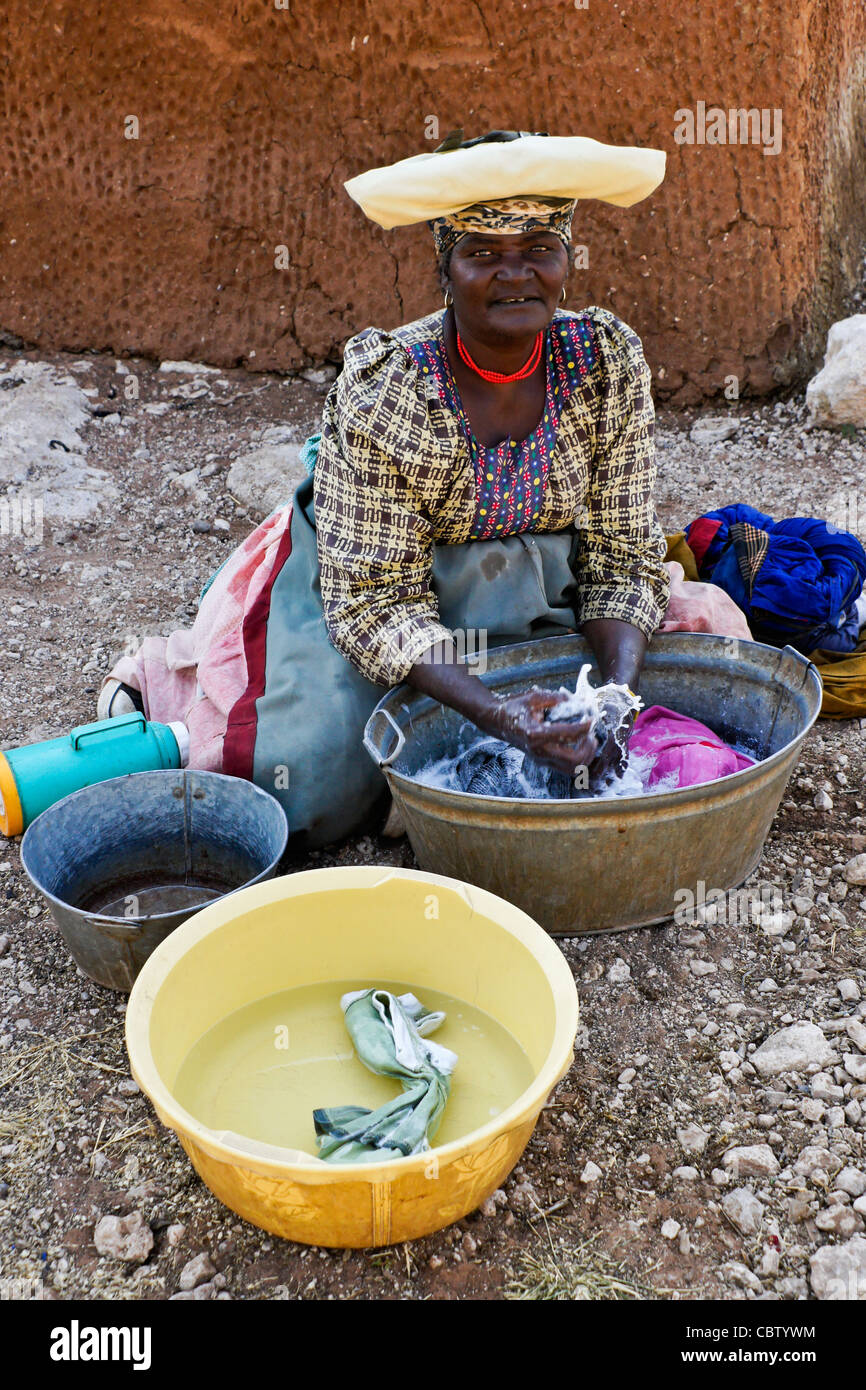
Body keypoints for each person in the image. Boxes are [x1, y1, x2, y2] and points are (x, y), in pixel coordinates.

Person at [99, 129, 693, 845]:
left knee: (695, 667)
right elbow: (376, 605)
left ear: (568, 259)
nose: (516, 275)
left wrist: (615, 697)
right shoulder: (390, 388)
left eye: (539, 248)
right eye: (483, 255)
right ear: (446, 271)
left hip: (539, 583)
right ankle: (161, 682)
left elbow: (622, 557)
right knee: (306, 784)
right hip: (385, 589)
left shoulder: (605, 362)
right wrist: (502, 716)